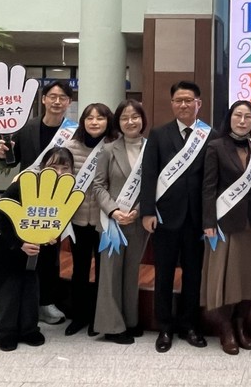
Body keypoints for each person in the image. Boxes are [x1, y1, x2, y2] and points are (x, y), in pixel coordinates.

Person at [0, 147, 76, 351]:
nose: (59, 172)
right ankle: (5, 332)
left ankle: (29, 329)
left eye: (65, 168)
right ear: (43, 167)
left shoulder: (64, 192)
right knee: (9, 292)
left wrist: (49, 238)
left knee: (31, 290)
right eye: (53, 167)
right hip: (6, 248)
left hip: (33, 254)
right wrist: (19, 244)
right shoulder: (24, 184)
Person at [140, 81, 216, 353]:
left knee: (193, 275)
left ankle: (189, 325)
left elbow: (213, 181)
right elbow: (149, 174)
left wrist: (210, 220)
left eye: (188, 100)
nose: (183, 105)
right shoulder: (159, 135)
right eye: (178, 100)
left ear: (198, 104)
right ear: (172, 104)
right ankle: (165, 327)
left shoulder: (211, 136)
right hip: (164, 218)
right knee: (164, 274)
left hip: (196, 220)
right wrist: (147, 211)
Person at [0, 79, 76, 326]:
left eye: (62, 97)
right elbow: (12, 159)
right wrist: (2, 154)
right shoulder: (27, 128)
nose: (57, 101)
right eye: (52, 96)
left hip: (55, 201)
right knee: (26, 250)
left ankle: (46, 302)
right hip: (28, 199)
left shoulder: (73, 132)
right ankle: (25, 303)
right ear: (43, 99)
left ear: (69, 102)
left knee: (50, 253)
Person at [202, 100, 251, 355]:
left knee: (248, 278)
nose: (242, 121)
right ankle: (226, 329)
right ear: (230, 118)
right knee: (225, 278)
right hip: (225, 223)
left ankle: (241, 325)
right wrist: (208, 222)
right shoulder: (216, 146)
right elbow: (208, 187)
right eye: (238, 115)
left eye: (248, 117)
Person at [92, 100, 150, 344]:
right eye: (125, 118)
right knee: (110, 274)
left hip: (138, 221)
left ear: (142, 120)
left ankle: (130, 320)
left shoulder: (151, 148)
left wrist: (138, 210)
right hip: (111, 223)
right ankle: (112, 326)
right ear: (118, 122)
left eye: (135, 116)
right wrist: (114, 211)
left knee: (131, 271)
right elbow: (98, 185)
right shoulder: (108, 150)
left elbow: (155, 185)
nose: (130, 122)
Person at [63, 102, 118, 336]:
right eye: (89, 118)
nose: (94, 122)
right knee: (80, 268)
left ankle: (99, 317)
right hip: (77, 220)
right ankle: (79, 316)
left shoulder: (115, 146)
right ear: (83, 122)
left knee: (104, 271)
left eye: (100, 118)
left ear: (108, 121)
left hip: (104, 220)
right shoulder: (70, 147)